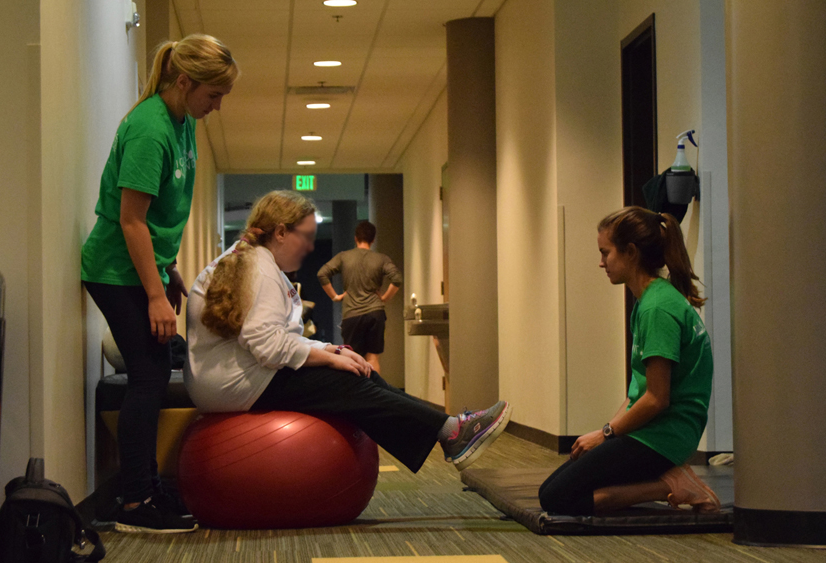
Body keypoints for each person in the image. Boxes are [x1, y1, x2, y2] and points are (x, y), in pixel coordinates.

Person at [184, 191, 510, 478]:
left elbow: (278, 338)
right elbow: (269, 347)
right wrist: (329, 359)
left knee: (360, 370)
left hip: (230, 378)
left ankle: (449, 430)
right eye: (305, 236)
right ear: (281, 232)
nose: (310, 246)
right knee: (347, 381)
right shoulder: (261, 270)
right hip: (233, 384)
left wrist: (333, 350)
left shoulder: (256, 263)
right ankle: (451, 432)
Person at [81, 34, 238, 533]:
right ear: (185, 81)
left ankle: (145, 486)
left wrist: (167, 271)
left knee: (152, 371)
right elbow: (131, 221)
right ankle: (135, 502)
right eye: (213, 94)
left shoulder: (182, 121)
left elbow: (156, 219)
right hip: (115, 270)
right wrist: (153, 294)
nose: (217, 106)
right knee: (148, 377)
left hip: (141, 267)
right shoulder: (151, 129)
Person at [538, 206, 720, 516]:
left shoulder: (657, 309)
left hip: (665, 436)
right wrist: (608, 434)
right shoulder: (648, 301)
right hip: (651, 431)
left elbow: (656, 399)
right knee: (553, 489)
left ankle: (674, 484)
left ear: (631, 252)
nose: (601, 262)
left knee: (557, 498)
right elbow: (637, 392)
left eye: (605, 253)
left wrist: (605, 435)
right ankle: (667, 479)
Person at [317, 220, 402, 374]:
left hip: (352, 314)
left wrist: (335, 296)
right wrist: (384, 298)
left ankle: (357, 389)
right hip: (375, 312)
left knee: (352, 358)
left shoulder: (344, 257)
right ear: (373, 239)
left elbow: (322, 274)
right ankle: (374, 388)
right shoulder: (381, 259)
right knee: (373, 358)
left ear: (355, 238)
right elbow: (397, 279)